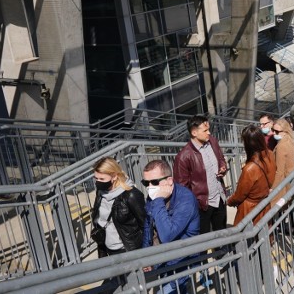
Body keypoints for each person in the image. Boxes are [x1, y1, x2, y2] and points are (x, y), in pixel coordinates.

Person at [141, 160, 200, 293]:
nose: (150, 187)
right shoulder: (154, 198)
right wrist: (146, 257)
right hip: (162, 260)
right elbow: (148, 227)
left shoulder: (185, 200)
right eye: (146, 183)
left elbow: (167, 235)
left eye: (155, 182)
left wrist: (158, 201)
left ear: (169, 180)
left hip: (182, 262)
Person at [173, 115, 228, 236]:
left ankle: (223, 254)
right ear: (194, 133)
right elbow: (181, 187)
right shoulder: (183, 156)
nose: (209, 133)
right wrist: (194, 204)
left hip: (220, 198)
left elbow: (221, 158)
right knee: (203, 239)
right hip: (202, 206)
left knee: (222, 235)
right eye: (205, 130)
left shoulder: (212, 141)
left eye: (209, 129)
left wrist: (223, 167)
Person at [91, 158, 146, 258]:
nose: (98, 182)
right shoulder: (100, 191)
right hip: (107, 248)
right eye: (96, 178)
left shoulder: (131, 195)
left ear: (114, 176)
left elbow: (145, 225)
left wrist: (146, 254)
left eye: (102, 179)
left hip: (128, 250)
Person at [227, 126, 276, 227]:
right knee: (264, 236)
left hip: (250, 209)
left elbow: (239, 195)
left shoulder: (250, 169)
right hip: (264, 204)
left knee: (247, 239)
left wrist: (229, 201)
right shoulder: (270, 154)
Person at [271, 118, 294, 203]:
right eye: (273, 130)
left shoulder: (281, 146)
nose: (274, 133)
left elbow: (279, 171)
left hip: (283, 183)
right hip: (291, 180)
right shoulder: (291, 142)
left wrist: (273, 188)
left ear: (285, 131)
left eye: (277, 131)